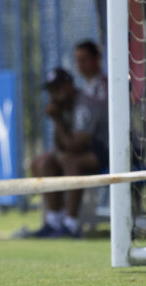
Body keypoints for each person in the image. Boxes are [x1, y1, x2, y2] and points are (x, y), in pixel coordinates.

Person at [29, 68, 108, 238]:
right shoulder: (62, 107)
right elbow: (59, 146)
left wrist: (56, 119)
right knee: (45, 162)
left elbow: (75, 146)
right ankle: (54, 219)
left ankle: (71, 224)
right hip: (82, 151)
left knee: (70, 161)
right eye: (50, 90)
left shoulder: (84, 105)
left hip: (107, 151)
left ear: (69, 86)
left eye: (57, 88)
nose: (53, 94)